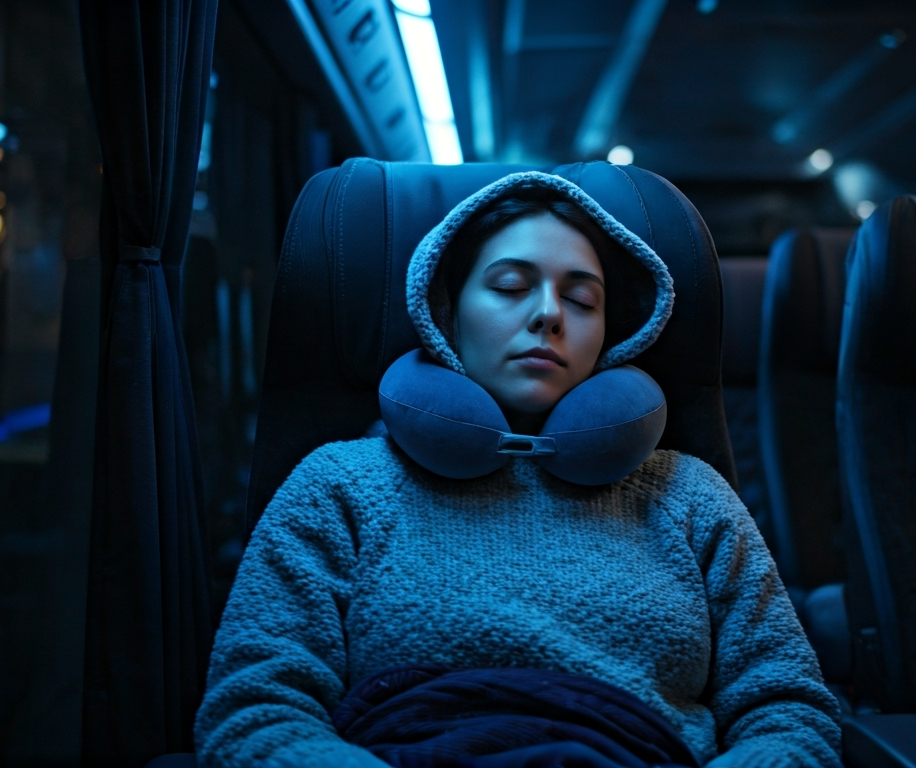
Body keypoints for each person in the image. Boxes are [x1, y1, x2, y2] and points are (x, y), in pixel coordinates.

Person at [195, 172, 841, 767]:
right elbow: (254, 712)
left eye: (582, 300)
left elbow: (789, 711)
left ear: (614, 336)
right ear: (444, 310)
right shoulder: (338, 486)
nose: (549, 315)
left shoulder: (689, 495)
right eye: (509, 286)